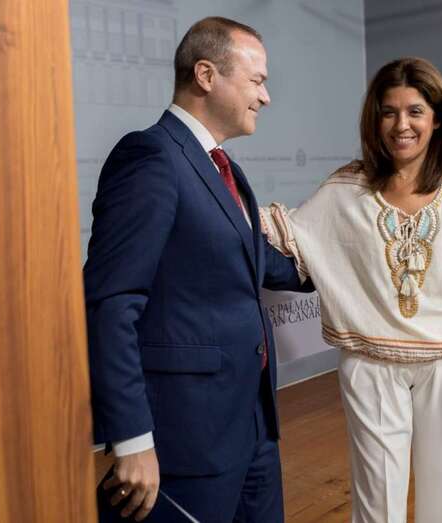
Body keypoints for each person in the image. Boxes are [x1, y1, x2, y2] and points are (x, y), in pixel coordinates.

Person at [259, 57, 442, 522]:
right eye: (388, 112)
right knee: (375, 503)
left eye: (414, 110)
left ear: (436, 117)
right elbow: (289, 234)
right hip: (370, 365)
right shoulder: (347, 187)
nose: (401, 124)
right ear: (375, 119)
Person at [83, 17, 309, 523]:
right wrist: (133, 439)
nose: (266, 97)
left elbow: (259, 265)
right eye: (257, 81)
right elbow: (112, 302)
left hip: (251, 426)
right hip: (181, 442)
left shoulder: (222, 166)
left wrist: (354, 259)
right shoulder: (151, 157)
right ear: (207, 75)